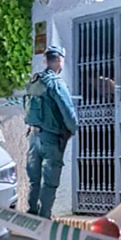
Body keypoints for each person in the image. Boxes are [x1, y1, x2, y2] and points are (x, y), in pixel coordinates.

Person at [25, 44, 78, 218]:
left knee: (34, 179)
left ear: (45, 60)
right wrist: (73, 129)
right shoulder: (55, 83)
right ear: (59, 60)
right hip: (50, 139)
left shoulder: (34, 81)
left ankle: (31, 214)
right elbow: (67, 110)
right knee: (50, 181)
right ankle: (44, 218)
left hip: (32, 136)